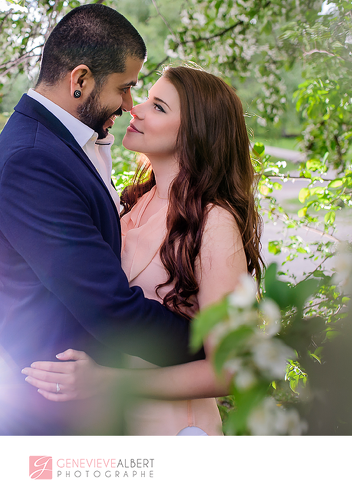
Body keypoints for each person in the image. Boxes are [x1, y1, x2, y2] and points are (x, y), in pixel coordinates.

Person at [0, 4, 204, 436]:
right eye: (124, 88)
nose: (131, 104)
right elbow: (109, 310)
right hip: (39, 418)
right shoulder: (35, 159)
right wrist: (214, 347)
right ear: (80, 80)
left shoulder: (69, 142)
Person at [20, 66, 264, 435]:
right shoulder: (131, 203)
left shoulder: (214, 224)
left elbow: (228, 369)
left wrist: (110, 382)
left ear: (196, 132)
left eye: (159, 107)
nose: (137, 109)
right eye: (146, 98)